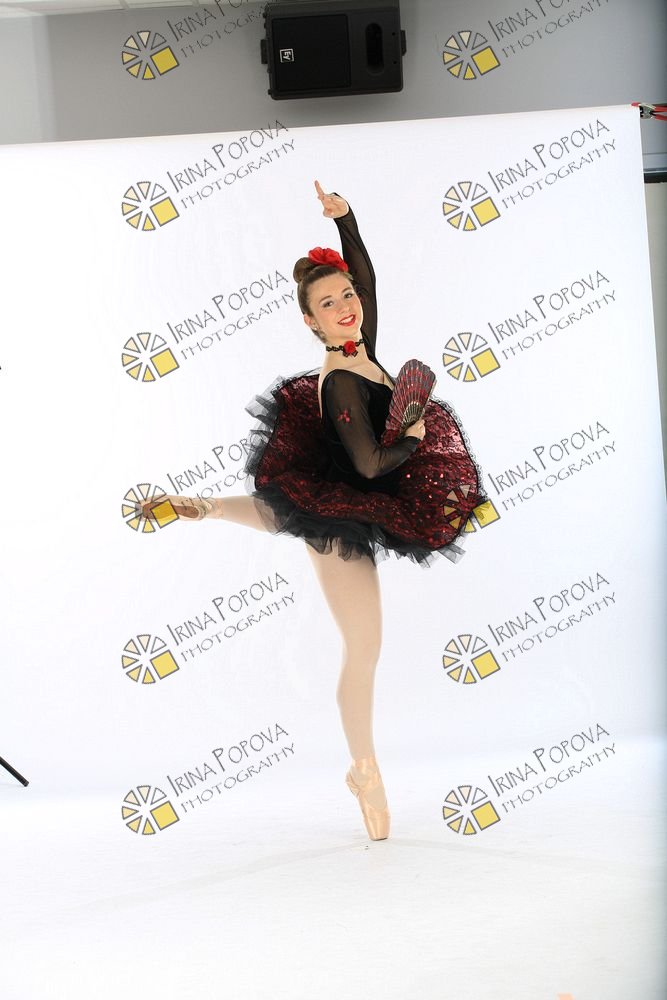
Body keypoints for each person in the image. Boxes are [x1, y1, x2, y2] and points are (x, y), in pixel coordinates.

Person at [140, 180, 486, 842]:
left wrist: (345, 220)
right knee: (364, 646)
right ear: (311, 322)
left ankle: (204, 505)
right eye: (329, 304)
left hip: (336, 479)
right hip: (351, 492)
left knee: (290, 506)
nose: (347, 307)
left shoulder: (364, 344)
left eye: (347, 296)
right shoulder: (341, 380)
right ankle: (364, 770)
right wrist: (413, 438)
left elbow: (368, 279)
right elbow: (368, 467)